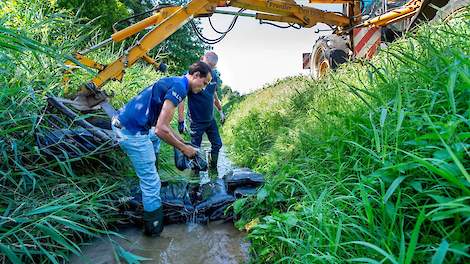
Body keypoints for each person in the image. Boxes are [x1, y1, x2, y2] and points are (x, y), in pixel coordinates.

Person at [111, 61, 212, 236]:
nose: (204, 88)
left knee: (155, 141)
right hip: (131, 131)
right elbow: (160, 130)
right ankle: (154, 231)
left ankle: (152, 171)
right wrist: (183, 149)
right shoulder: (180, 88)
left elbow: (159, 123)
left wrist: (179, 139)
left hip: (125, 122)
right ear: (196, 75)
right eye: (204, 83)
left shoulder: (177, 82)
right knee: (151, 183)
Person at [177, 51, 225, 170]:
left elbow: (214, 95)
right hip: (196, 120)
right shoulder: (192, 74)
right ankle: (195, 177)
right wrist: (181, 121)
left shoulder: (213, 75)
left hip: (210, 119)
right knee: (194, 149)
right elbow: (181, 98)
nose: (209, 68)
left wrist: (220, 111)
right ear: (202, 59)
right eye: (208, 64)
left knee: (217, 144)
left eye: (212, 67)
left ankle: (213, 170)